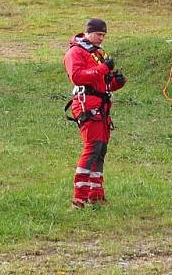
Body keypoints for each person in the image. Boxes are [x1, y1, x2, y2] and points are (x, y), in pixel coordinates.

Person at [63, 18, 126, 208]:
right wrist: (104, 68)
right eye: (99, 34)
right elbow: (77, 77)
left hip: (101, 105)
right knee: (92, 148)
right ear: (88, 33)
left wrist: (116, 82)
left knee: (100, 150)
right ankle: (79, 198)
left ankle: (96, 194)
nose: (101, 38)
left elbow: (102, 83)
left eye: (104, 35)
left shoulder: (97, 54)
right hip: (86, 105)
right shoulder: (75, 52)